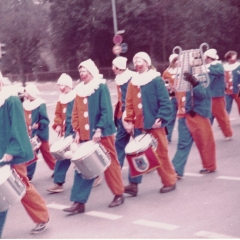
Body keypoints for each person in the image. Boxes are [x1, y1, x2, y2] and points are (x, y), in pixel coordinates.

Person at [63, 59, 124, 214]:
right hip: (84, 135)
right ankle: (79, 202)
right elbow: (75, 113)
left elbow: (106, 110)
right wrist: (76, 131)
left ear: (91, 72)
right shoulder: (78, 90)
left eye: (84, 71)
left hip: (102, 133)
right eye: (80, 72)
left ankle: (118, 193)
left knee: (109, 164)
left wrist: (99, 129)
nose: (82, 74)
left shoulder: (100, 87)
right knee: (83, 167)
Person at [0, 73, 50, 236]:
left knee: (21, 187)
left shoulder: (11, 100)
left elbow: (18, 127)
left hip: (10, 153)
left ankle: (42, 217)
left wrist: (11, 151)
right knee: (5, 192)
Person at [123, 52, 177, 196]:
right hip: (139, 125)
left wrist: (160, 118)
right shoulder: (132, 81)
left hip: (154, 124)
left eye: (140, 61)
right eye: (135, 62)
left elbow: (165, 101)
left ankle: (169, 181)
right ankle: (133, 185)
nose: (137, 64)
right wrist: (128, 120)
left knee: (161, 154)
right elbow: (129, 103)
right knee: (137, 154)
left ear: (147, 63)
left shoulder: (156, 79)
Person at [171, 70, 217, 178]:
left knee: (205, 142)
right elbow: (175, 95)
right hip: (184, 115)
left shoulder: (203, 75)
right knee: (183, 144)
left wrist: (195, 82)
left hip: (199, 114)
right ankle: (177, 169)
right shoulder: (178, 76)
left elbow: (204, 94)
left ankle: (210, 165)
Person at [47, 73, 77, 193]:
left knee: (80, 157)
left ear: (68, 85)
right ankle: (59, 183)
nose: (60, 87)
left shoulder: (76, 97)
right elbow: (58, 114)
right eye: (59, 85)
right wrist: (58, 124)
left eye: (62, 85)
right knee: (63, 157)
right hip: (65, 133)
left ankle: (94, 174)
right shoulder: (61, 99)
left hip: (75, 132)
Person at [23, 84, 56, 181]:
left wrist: (39, 124)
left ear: (30, 92)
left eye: (26, 92)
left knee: (46, 153)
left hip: (41, 134)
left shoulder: (40, 104)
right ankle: (29, 175)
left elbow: (45, 119)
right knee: (32, 155)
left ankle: (56, 168)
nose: (24, 94)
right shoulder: (26, 105)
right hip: (31, 135)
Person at [203, 49, 233, 140]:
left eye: (205, 57)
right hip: (208, 94)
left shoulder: (218, 65)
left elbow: (219, 72)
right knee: (208, 116)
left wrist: (208, 70)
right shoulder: (206, 66)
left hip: (217, 95)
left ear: (209, 58)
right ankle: (207, 135)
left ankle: (228, 133)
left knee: (221, 115)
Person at [162, 53, 179, 143]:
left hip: (183, 97)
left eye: (178, 59)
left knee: (185, 117)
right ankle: (167, 137)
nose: (178, 61)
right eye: (176, 60)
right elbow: (165, 85)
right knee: (171, 118)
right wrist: (169, 89)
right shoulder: (166, 72)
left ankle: (190, 136)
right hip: (172, 98)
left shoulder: (182, 70)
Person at [223, 51, 240, 115]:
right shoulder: (224, 67)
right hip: (227, 91)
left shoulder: (238, 66)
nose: (235, 58)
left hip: (238, 90)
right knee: (226, 106)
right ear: (229, 59)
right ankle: (225, 122)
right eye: (233, 57)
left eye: (235, 56)